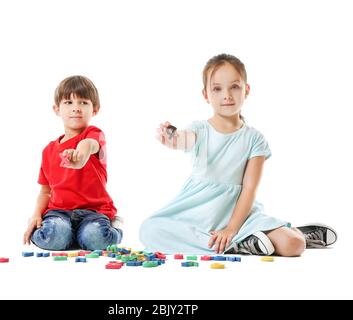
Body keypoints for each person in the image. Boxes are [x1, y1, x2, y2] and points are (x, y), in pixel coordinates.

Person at [139, 54, 337, 256]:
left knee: (294, 244)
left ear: (246, 90)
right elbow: (183, 140)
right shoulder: (199, 130)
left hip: (239, 213)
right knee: (149, 230)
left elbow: (249, 189)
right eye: (217, 88)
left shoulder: (254, 139)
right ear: (206, 94)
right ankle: (239, 245)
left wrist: (232, 228)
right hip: (197, 215)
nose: (227, 95)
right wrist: (171, 137)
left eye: (234, 87)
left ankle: (291, 234)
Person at [23, 75, 123, 251]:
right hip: (59, 212)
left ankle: (105, 228)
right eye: (68, 102)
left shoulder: (94, 134)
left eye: (83, 103)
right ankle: (73, 236)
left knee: (96, 237)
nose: (76, 108)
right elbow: (45, 191)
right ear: (57, 109)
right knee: (51, 236)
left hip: (94, 212)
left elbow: (89, 145)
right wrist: (36, 215)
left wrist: (80, 156)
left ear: (95, 109)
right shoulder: (48, 150)